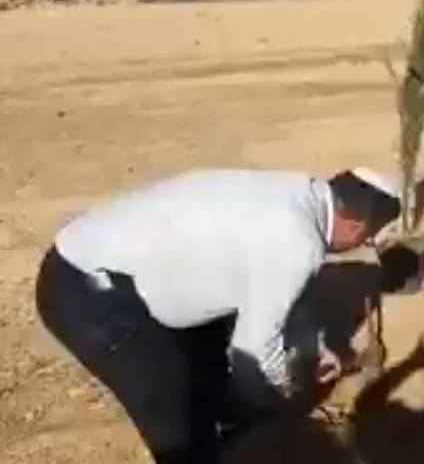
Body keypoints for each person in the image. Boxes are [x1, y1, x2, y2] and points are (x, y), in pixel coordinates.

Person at [35, 168, 401, 464]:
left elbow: (292, 295)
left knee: (210, 358)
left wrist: (313, 349)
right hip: (89, 292)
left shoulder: (298, 194)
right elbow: (255, 350)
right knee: (171, 407)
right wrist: (275, 394)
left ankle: (226, 424)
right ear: (355, 227)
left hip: (99, 257)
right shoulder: (297, 241)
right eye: (367, 240)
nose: (359, 247)